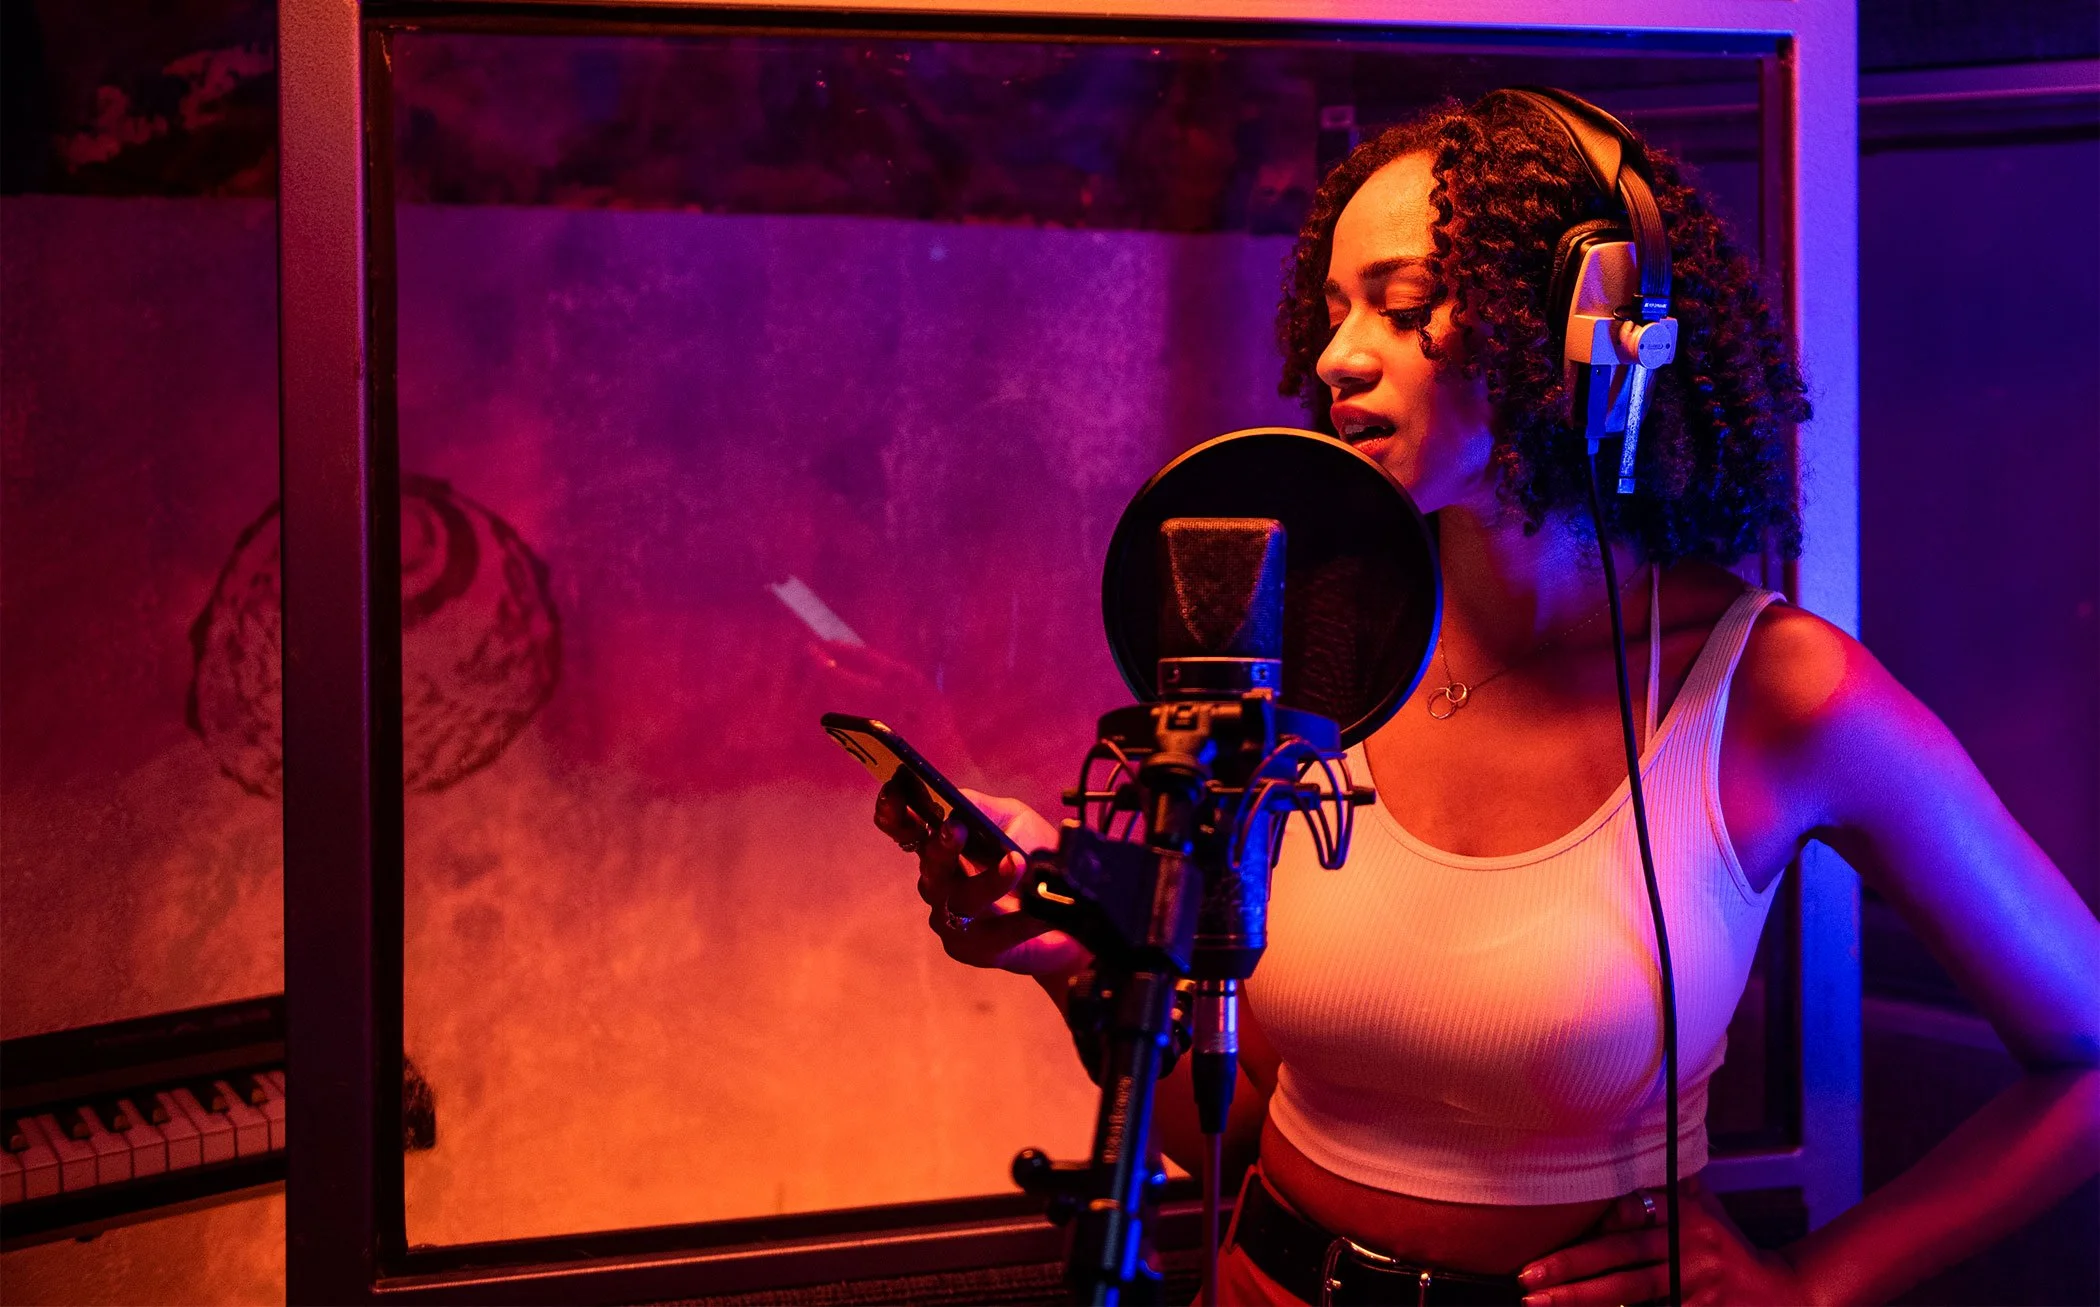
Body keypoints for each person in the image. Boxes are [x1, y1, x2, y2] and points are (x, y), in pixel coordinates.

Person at [876, 92, 2100, 1306]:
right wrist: (1072, 964)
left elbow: (2088, 1060)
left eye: (1405, 307)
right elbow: (1233, 1129)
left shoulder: (1774, 691)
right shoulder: (1309, 651)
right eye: (1333, 310)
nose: (1337, 356)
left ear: (1591, 333)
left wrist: (1810, 1286)